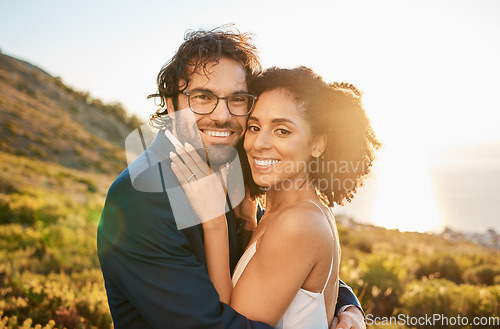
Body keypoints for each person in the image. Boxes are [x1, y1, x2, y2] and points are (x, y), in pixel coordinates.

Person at [97, 27, 366, 329]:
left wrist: (347, 305)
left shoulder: (230, 167)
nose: (222, 116)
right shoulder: (143, 199)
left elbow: (281, 256)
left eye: (237, 99)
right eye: (202, 97)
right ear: (171, 104)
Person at [170, 66, 381, 328]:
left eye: (282, 130)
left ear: (317, 144)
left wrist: (214, 221)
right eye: (255, 127)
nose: (259, 143)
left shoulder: (297, 224)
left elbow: (230, 324)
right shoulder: (287, 211)